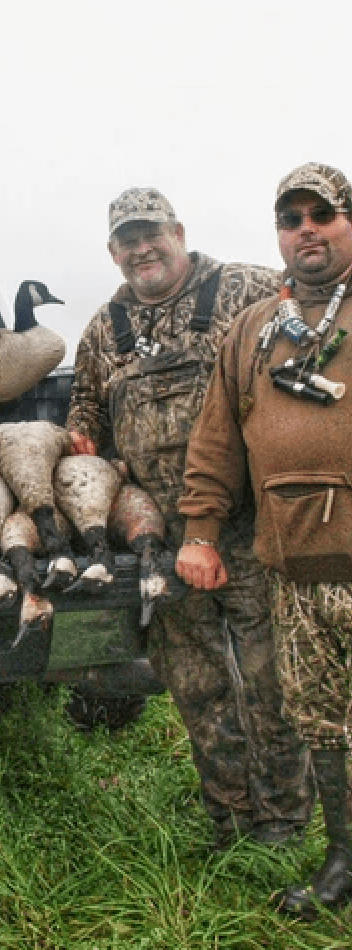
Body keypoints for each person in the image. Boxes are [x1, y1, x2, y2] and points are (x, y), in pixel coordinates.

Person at [66, 187, 313, 849]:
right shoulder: (105, 327)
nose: (141, 249)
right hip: (165, 545)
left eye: (151, 234)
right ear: (113, 251)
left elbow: (322, 339)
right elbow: (85, 415)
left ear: (177, 231)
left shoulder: (249, 289)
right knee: (199, 690)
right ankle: (229, 822)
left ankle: (284, 823)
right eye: (126, 240)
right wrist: (83, 444)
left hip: (254, 531)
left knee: (270, 682)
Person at [178, 162, 352, 917]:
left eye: (323, 214)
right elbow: (217, 441)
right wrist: (202, 532)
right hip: (297, 572)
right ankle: (343, 862)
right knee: (321, 719)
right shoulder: (253, 331)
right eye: (291, 219)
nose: (306, 230)